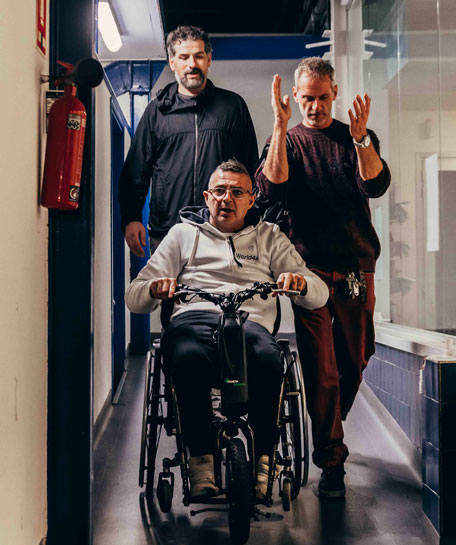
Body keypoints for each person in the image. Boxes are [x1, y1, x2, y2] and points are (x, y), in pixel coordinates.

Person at [125, 160, 328, 499]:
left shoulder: (270, 236)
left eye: (236, 192)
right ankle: (200, 459)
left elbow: (319, 293)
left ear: (251, 200)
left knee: (268, 359)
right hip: (194, 318)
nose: (226, 198)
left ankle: (265, 459)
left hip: (251, 321)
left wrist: (300, 283)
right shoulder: (182, 235)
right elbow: (134, 296)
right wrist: (154, 289)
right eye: (219, 191)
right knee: (186, 357)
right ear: (207, 197)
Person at [255, 57, 391, 499]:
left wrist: (361, 138)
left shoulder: (356, 138)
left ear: (334, 94)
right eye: (307, 99)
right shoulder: (286, 140)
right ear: (296, 97)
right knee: (322, 369)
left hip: (355, 266)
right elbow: (271, 189)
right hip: (307, 270)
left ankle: (330, 415)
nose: (315, 106)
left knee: (355, 359)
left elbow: (375, 185)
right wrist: (280, 126)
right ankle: (331, 460)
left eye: (322, 98)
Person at [119, 25, 259, 257]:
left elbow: (251, 169)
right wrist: (131, 218)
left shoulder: (232, 107)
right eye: (184, 57)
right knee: (166, 283)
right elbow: (136, 171)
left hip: (222, 233)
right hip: (168, 233)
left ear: (209, 59)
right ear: (172, 62)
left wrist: (251, 222)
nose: (192, 64)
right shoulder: (157, 112)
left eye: (198, 56)